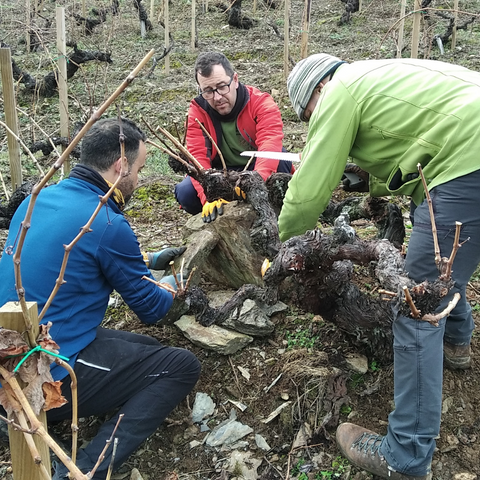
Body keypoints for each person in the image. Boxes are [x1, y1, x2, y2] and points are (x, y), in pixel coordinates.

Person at [279, 53, 480, 479]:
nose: (315, 121)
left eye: (310, 117)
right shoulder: (377, 74)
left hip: (465, 158)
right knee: (439, 272)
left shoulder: (339, 92)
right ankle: (458, 344)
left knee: (414, 307)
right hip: (470, 151)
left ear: (317, 92)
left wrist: (282, 243)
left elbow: (308, 190)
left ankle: (404, 455)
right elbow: (407, 135)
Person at [0, 118, 201, 479]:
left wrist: (145, 262)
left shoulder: (38, 199)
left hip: (11, 353)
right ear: (120, 167)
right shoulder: (106, 222)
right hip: (42, 375)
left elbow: (79, 255)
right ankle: (80, 470)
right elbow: (152, 309)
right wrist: (175, 289)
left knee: (144, 349)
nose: (138, 180)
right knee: (179, 365)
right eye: (139, 170)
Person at [175, 51, 295, 222]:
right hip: (221, 174)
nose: (217, 97)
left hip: (257, 168)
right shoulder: (197, 111)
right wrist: (210, 197)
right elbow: (198, 159)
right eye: (208, 91)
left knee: (281, 161)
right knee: (186, 192)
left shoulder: (261, 104)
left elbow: (269, 146)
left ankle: (271, 213)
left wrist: (254, 183)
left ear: (235, 80)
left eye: (222, 86)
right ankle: (217, 219)